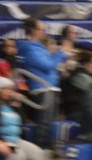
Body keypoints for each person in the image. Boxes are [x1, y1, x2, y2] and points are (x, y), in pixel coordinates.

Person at [17, 18, 65, 148]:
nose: (44, 32)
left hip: (51, 87)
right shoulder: (30, 49)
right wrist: (61, 54)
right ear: (33, 31)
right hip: (42, 88)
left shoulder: (40, 48)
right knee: (43, 122)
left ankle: (48, 147)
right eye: (42, 29)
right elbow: (48, 66)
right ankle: (40, 149)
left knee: (49, 122)